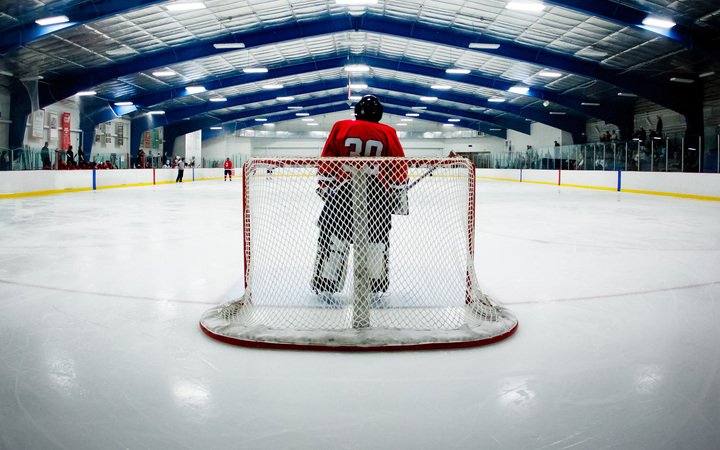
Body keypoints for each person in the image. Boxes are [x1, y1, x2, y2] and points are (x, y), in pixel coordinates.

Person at [311, 94, 408, 301]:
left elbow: (328, 157)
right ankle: (375, 282)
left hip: (342, 194)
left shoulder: (341, 126)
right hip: (376, 195)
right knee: (376, 239)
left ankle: (326, 280)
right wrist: (398, 194)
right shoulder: (388, 132)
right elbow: (398, 165)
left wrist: (326, 186)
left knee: (333, 237)